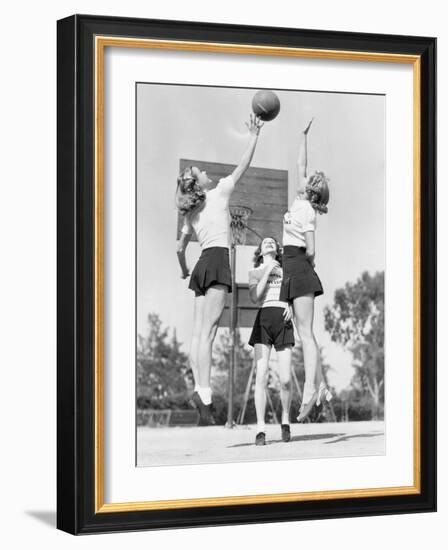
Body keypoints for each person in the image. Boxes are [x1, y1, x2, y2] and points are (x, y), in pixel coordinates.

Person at [176, 114, 264, 425]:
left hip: (201, 264)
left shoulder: (191, 214)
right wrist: (254, 136)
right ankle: (205, 397)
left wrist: (185, 270)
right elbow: (244, 164)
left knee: (199, 334)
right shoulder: (220, 193)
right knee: (210, 333)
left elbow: (178, 248)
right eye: (200, 172)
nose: (205, 171)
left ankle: (200, 392)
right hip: (216, 261)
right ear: (197, 184)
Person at [279, 119, 332, 423]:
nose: (304, 176)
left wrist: (307, 266)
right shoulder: (300, 198)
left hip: (299, 267)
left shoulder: (308, 211)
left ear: (311, 190)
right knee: (303, 333)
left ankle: (311, 389)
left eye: (309, 179)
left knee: (306, 334)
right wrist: (303, 134)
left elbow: (311, 248)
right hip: (292, 269)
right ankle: (321, 383)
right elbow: (301, 162)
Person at [248, 237, 294, 445]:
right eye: (265, 242)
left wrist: (291, 305)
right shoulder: (254, 272)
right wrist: (268, 269)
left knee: (285, 379)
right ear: (260, 251)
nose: (269, 243)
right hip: (263, 320)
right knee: (261, 376)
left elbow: (294, 296)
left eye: (272, 242)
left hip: (282, 320)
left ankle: (285, 420)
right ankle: (260, 429)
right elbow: (255, 297)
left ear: (277, 249)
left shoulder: (287, 271)